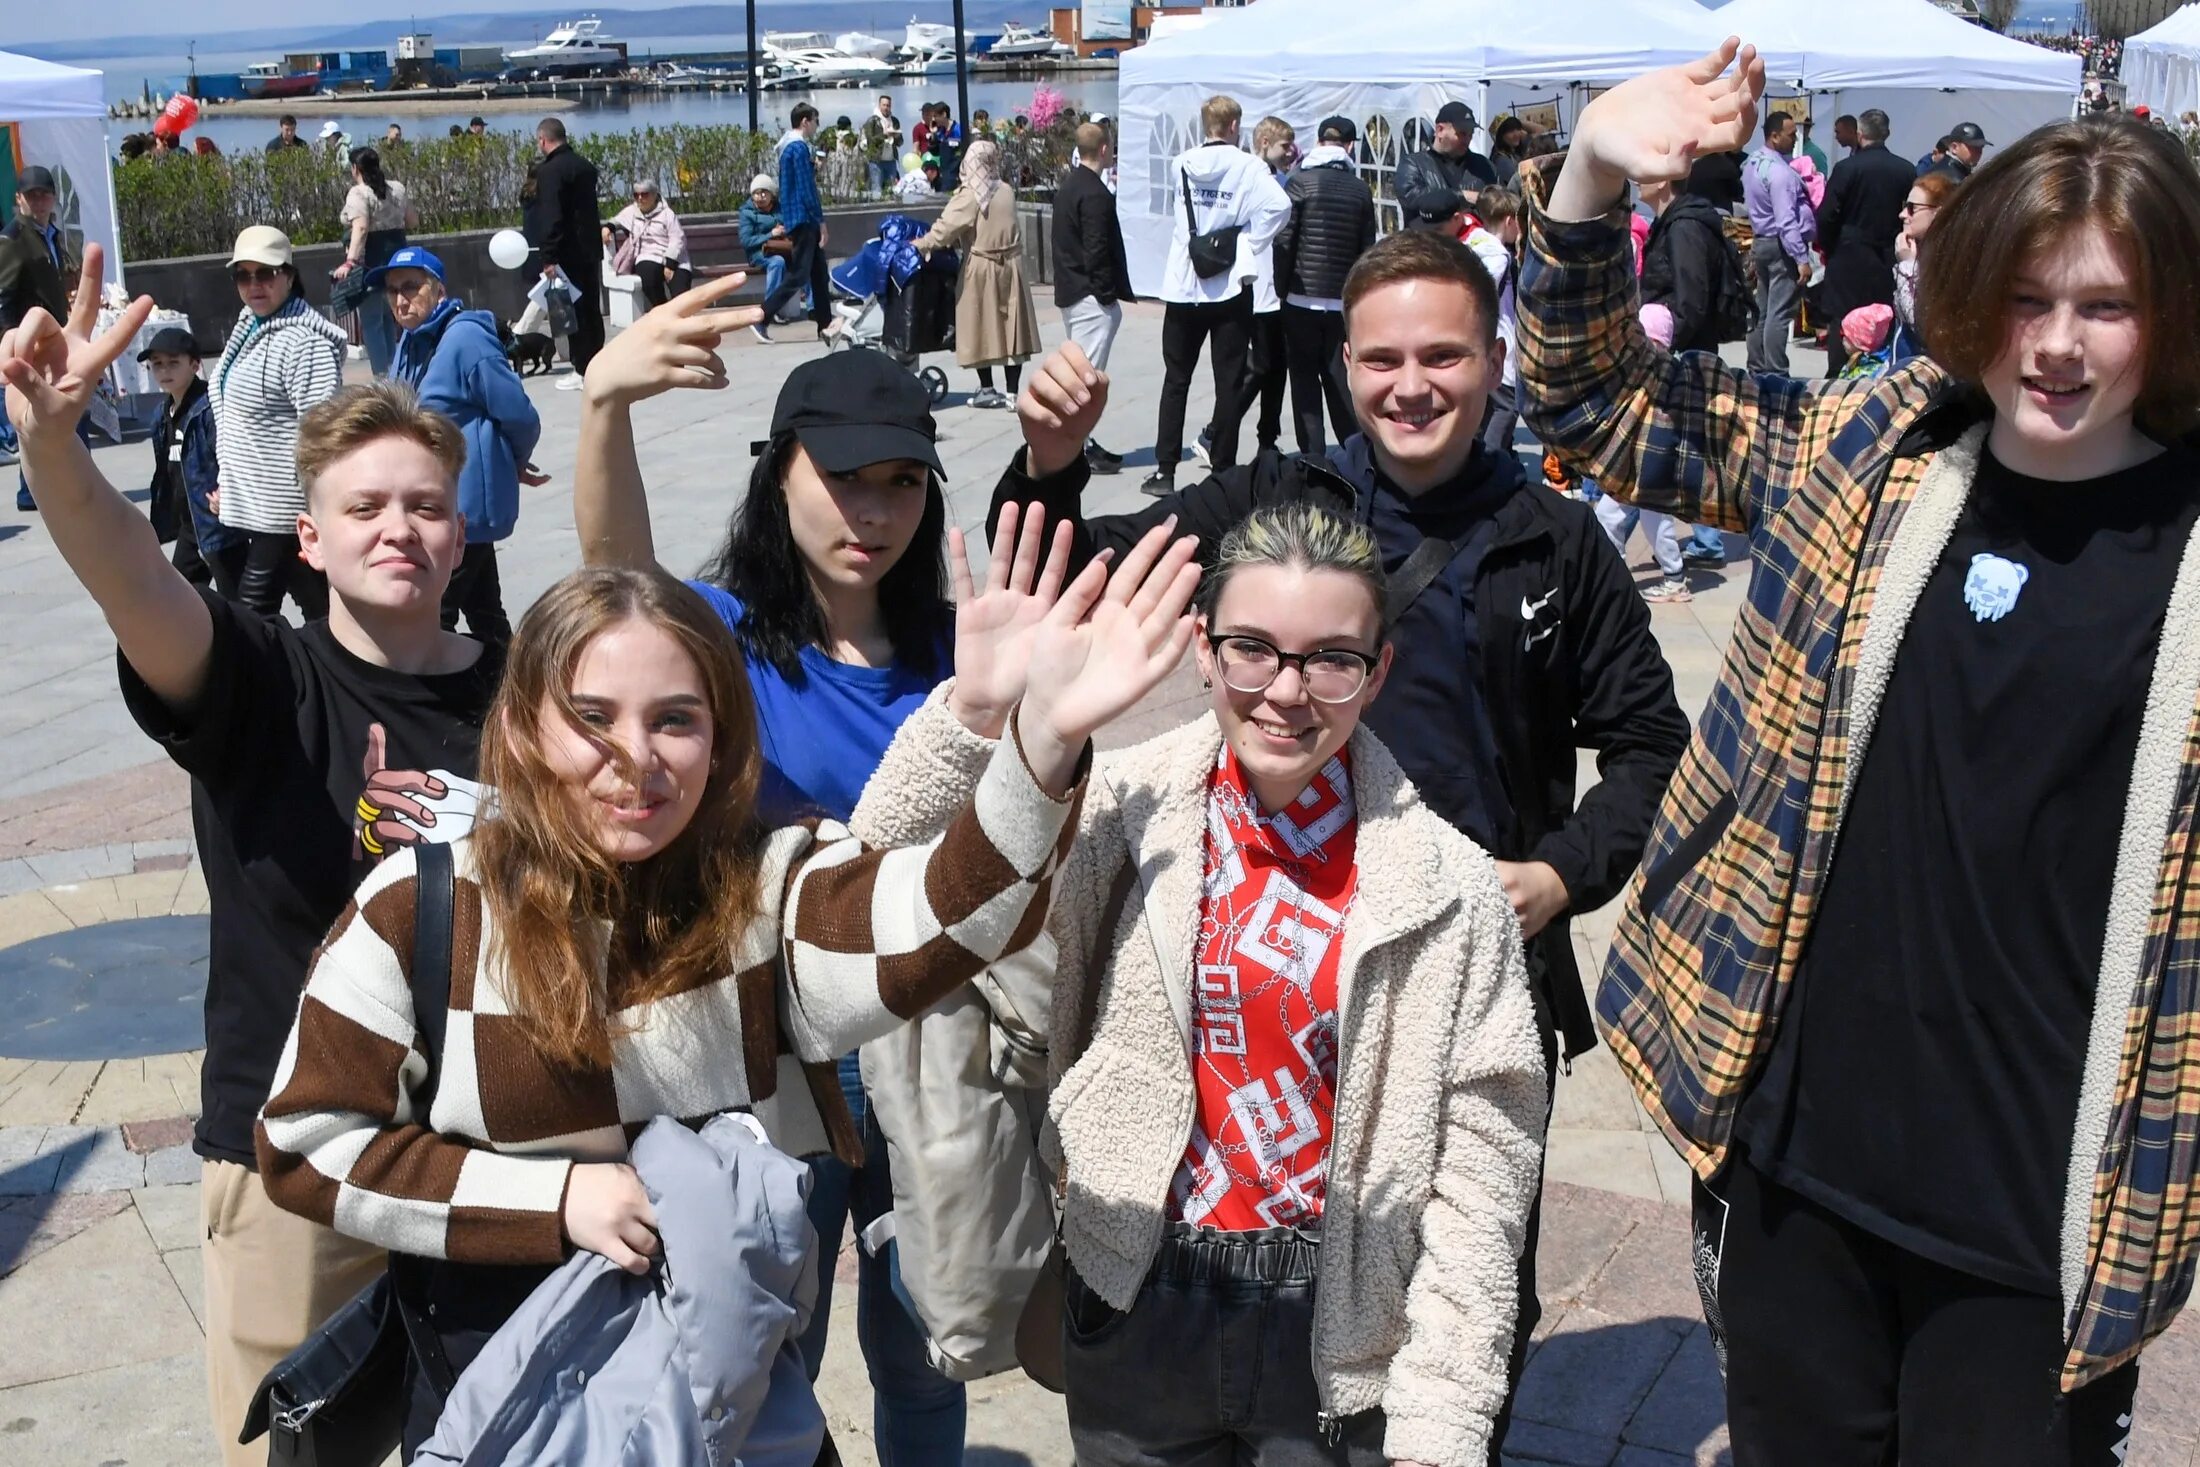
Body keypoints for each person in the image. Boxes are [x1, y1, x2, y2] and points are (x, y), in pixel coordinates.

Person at [1525, 43, 2200, 1465]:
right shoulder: (1878, 447)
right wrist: (1588, 177)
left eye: (2104, 307)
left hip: (2041, 1208)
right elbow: (1599, 408)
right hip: (1801, 1157)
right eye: (2023, 299)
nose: (2056, 346)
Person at [1004, 224, 1691, 1461]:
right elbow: (1071, 582)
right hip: (1256, 952)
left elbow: (1653, 744)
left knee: (1454, 1281)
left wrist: (1562, 871)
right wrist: (1048, 469)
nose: (1409, 385)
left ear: (1493, 362)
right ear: (1346, 364)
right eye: (1380, 358)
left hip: (1457, 959)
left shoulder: (1554, 538)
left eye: (1442, 355)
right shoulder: (1279, 501)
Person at [873, 499, 1547, 1467]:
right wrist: (984, 717)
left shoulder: (1451, 886)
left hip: (1344, 1320)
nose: (1286, 690)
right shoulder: (1117, 810)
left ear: (1377, 671)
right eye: (1252, 649)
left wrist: (1445, 1420)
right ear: (1202, 648)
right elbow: (887, 894)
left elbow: (1485, 1170)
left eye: (1331, 659)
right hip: (1139, 1284)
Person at [571, 284, 1096, 1467]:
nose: (874, 509)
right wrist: (604, 401)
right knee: (764, 1330)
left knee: (926, 1331)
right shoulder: (717, 637)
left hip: (935, 1051)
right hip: (767, 1049)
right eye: (845, 476)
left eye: (901, 481)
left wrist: (1050, 469)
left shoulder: (956, 655)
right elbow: (611, 577)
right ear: (780, 476)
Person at [1, 265, 503, 1467]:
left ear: (463, 525)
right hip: (293, 1152)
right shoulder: (257, 680)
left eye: (426, 504)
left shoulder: (521, 691)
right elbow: (132, 575)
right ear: (310, 537)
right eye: (366, 506)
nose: (400, 529)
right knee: (295, 1447)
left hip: (491, 1145)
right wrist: (57, 452)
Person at [381, 244, 542, 652]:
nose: (401, 299)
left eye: (412, 287)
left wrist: (514, 461)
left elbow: (519, 413)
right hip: (436, 500)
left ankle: (434, 699)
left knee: (434, 611)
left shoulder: (465, 338)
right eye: (393, 290)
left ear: (438, 290)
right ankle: (510, 688)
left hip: (462, 504)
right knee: (484, 610)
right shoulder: (410, 341)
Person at [1144, 94, 1291, 495]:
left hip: (1184, 280)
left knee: (1176, 378)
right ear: (1233, 127)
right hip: (1228, 284)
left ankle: (1165, 468)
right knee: (1228, 381)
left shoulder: (1181, 163)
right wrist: (1250, 240)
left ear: (1205, 124)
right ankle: (1223, 465)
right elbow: (1279, 204)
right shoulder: (1247, 165)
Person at [210, 226, 349, 619]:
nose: (254, 284)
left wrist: (316, 498)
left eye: (265, 273)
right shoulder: (248, 325)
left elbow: (322, 429)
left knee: (252, 614)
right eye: (243, 275)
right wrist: (230, 480)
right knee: (320, 607)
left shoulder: (305, 342)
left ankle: (253, 679)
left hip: (286, 508)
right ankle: (340, 669)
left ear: (288, 275)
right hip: (258, 505)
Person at [914, 139, 1040, 409]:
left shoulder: (971, 194)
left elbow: (946, 228)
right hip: (1012, 265)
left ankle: (987, 388)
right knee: (1012, 328)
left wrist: (921, 244)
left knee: (980, 324)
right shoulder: (1006, 190)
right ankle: (1012, 393)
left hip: (982, 266)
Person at [1278, 115, 1376, 455]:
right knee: (1340, 382)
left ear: (1320, 142)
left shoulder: (1298, 183)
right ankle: (1355, 450)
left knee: (1304, 384)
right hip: (1341, 301)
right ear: (1349, 146)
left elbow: (1284, 243)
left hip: (1300, 299)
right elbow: (1367, 251)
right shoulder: (1360, 189)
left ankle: (1313, 457)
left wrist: (1282, 289)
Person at [1589, 304, 1692, 603]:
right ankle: (1613, 573)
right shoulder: (1641, 372)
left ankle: (1675, 578)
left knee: (1656, 523)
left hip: (1655, 464)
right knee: (1609, 515)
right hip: (1633, 461)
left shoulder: (1666, 376)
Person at [1053, 121, 1134, 473]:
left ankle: (1081, 442)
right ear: (1104, 149)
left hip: (1071, 289)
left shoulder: (1069, 187)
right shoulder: (1096, 194)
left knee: (1080, 370)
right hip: (1089, 295)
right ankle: (1076, 447)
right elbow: (1097, 248)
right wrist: (1106, 296)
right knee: (1087, 377)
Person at [138, 326, 239, 598]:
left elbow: (230, 454)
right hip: (190, 527)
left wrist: (227, 492)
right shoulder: (161, 414)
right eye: (157, 364)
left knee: (241, 604)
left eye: (173, 363)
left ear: (195, 365)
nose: (164, 371)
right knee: (176, 599)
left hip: (220, 527)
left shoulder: (210, 408)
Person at [1220, 116, 1297, 462]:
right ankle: (1218, 430)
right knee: (1261, 365)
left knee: (1276, 366)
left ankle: (1267, 437)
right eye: (1283, 146)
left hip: (1274, 288)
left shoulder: (1275, 178)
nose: (1289, 152)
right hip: (1258, 286)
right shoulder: (1251, 177)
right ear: (1264, 142)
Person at [1814, 107, 1913, 375]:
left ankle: (1838, 375)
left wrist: (1829, 246)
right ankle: (1880, 372)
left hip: (1848, 255)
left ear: (1859, 134)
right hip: (1886, 255)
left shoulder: (1847, 168)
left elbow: (1826, 214)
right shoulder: (1905, 170)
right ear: (1887, 134)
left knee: (1843, 321)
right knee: (1883, 318)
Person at [0, 165, 72, 511]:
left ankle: (44, 489)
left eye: (44, 195)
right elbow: (4, 297)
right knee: (37, 421)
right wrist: (12, 342)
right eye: (32, 196)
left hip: (54, 334)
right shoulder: (12, 240)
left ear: (53, 198)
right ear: (19, 200)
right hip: (30, 342)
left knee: (57, 418)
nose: (39, 201)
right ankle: (33, 493)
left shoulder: (51, 233)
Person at [523, 117, 605, 388]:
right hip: (590, 250)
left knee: (571, 312)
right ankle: (597, 362)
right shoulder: (584, 167)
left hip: (567, 252)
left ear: (543, 140)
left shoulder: (550, 172)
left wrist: (549, 256)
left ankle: (582, 369)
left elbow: (552, 217)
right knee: (592, 309)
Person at [331, 146, 417, 377]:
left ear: (355, 168)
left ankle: (382, 377)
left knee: (371, 322)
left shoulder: (359, 193)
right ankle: (395, 372)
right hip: (398, 259)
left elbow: (361, 227)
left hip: (371, 261)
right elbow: (412, 221)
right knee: (390, 318)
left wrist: (350, 262)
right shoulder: (397, 188)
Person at [1742, 108, 1812, 374]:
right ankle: (1776, 372)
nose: (1795, 139)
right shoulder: (1780, 174)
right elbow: (1786, 221)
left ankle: (1757, 368)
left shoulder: (1752, 164)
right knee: (1779, 312)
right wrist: (1801, 258)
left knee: (1762, 310)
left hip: (1762, 242)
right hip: (1780, 245)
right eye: (1791, 134)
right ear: (1774, 136)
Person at [765, 103, 836, 344]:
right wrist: (821, 221)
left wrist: (813, 168)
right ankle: (762, 315)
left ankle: (825, 325)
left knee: (818, 272)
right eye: (815, 121)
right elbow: (807, 190)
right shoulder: (798, 147)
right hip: (804, 218)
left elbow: (797, 182)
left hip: (796, 216)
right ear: (805, 121)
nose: (817, 126)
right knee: (799, 274)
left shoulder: (788, 147)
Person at [1638, 174, 1731, 354]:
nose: (1636, 180)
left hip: (1685, 354)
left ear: (1662, 181)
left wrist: (1665, 348)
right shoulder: (1667, 222)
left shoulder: (1684, 227)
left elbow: (1691, 302)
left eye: (1645, 173)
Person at [1394, 101, 1499, 228]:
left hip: (1474, 243)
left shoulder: (1484, 166)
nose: (1467, 140)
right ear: (1440, 130)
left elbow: (1498, 202)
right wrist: (1462, 196)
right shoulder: (1413, 164)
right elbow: (1412, 199)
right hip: (1427, 243)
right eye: (1461, 133)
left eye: (1470, 134)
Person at [1890, 169, 1957, 362]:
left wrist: (1906, 266)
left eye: (1912, 208)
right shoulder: (1924, 252)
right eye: (1905, 206)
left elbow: (1921, 324)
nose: (1903, 214)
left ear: (1938, 212)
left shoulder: (1948, 260)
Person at [604, 178, 692, 308]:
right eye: (636, 195)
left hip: (674, 258)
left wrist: (670, 264)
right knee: (648, 276)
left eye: (644, 194)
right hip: (648, 255)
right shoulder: (631, 212)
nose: (640, 198)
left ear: (654, 194)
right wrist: (607, 228)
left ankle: (681, 317)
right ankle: (662, 310)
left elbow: (677, 239)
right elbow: (616, 221)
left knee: (681, 293)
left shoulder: (667, 214)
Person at [739, 174, 792, 341]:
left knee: (806, 260)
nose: (760, 197)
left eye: (764, 193)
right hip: (759, 254)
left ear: (772, 195)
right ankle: (769, 310)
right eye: (756, 193)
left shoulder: (780, 209)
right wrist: (771, 233)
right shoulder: (747, 213)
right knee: (777, 263)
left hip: (782, 249)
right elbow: (746, 241)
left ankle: (815, 310)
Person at [1922, 119, 1989, 181]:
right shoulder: (1953, 180)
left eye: (1981, 146)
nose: (1979, 151)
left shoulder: (1938, 170)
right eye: (1973, 146)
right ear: (1954, 148)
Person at [864, 94, 902, 195]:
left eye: (888, 105)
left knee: (891, 190)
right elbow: (870, 140)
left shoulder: (894, 121)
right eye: (884, 105)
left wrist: (896, 136)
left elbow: (900, 142)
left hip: (891, 161)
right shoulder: (872, 121)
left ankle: (891, 210)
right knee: (877, 190)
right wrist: (884, 135)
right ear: (879, 105)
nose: (886, 108)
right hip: (876, 161)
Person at [1490, 114, 1530, 186]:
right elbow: (1520, 185)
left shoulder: (1514, 154)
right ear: (1500, 136)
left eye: (1518, 129)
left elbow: (1541, 130)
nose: (1516, 134)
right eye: (1511, 131)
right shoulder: (1502, 160)